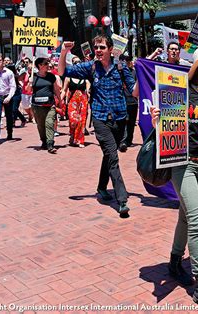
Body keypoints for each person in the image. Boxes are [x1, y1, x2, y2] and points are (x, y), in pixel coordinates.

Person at [149, 46, 198, 310]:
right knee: (197, 219)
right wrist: (157, 121)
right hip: (181, 164)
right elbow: (166, 127)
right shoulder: (183, 94)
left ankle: (174, 261)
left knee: (186, 215)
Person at [58, 35, 135, 216]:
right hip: (100, 118)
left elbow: (134, 90)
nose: (98, 50)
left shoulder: (121, 67)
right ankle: (121, 199)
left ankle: (102, 187)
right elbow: (63, 71)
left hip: (119, 118)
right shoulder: (91, 67)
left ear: (110, 49)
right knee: (112, 156)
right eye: (96, 47)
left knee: (108, 155)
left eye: (101, 47)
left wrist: (146, 75)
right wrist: (63, 51)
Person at [27, 57, 61, 153]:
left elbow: (56, 89)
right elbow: (28, 91)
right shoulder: (33, 77)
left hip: (50, 105)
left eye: (48, 63)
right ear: (39, 66)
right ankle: (44, 141)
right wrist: (29, 83)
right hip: (37, 106)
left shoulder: (51, 76)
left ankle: (50, 143)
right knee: (41, 125)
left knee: (49, 123)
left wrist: (60, 100)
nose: (48, 65)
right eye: (46, 64)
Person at [61, 56, 90, 148]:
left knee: (81, 121)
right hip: (72, 101)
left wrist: (90, 97)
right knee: (73, 120)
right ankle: (73, 135)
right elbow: (64, 90)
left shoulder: (85, 78)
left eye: (78, 62)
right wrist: (60, 99)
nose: (77, 63)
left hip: (83, 101)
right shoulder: (68, 77)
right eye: (75, 62)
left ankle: (80, 140)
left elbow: (88, 90)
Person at [119, 55, 138, 152]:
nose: (125, 63)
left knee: (131, 122)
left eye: (127, 61)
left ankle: (129, 140)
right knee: (124, 122)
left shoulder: (134, 72)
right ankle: (123, 141)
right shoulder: (119, 73)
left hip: (133, 101)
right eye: (124, 61)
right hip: (122, 101)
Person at [19, 58, 34, 123]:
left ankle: (33, 117)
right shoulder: (24, 74)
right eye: (29, 68)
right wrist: (22, 85)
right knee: (25, 106)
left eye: (31, 68)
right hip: (25, 92)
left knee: (32, 105)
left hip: (32, 92)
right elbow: (19, 79)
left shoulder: (35, 74)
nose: (30, 69)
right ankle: (30, 114)